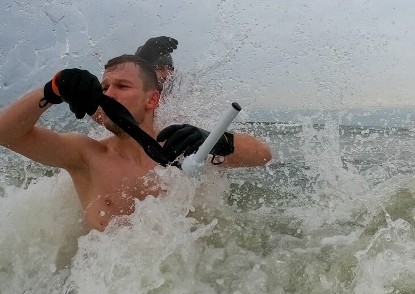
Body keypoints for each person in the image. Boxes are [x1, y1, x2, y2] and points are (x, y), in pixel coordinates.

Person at [0, 55, 272, 231]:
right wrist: (53, 90)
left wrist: (217, 141)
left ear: (152, 100)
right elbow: (6, 133)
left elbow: (263, 155)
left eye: (122, 86)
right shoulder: (85, 155)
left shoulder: (183, 150)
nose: (109, 94)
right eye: (104, 87)